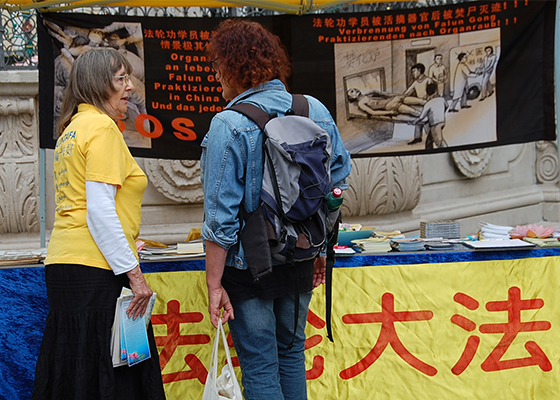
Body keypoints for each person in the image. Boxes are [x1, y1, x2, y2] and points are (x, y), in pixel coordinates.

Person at [201, 19, 352, 400]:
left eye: (218, 66)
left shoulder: (229, 125)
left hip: (246, 265)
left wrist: (214, 284)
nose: (216, 76)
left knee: (260, 364)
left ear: (233, 67)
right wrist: (318, 248)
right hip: (301, 255)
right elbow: (338, 183)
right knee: (290, 354)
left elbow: (220, 219)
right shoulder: (312, 109)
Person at [32, 48, 166, 400]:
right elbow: (99, 212)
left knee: (78, 375)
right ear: (97, 84)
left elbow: (81, 205)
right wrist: (134, 276)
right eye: (121, 79)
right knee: (114, 378)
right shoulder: (102, 127)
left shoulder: (71, 130)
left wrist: (124, 243)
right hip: (97, 269)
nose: (130, 89)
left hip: (65, 262)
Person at [409, 82, 449, 149]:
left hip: (435, 124)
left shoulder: (428, 104)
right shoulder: (442, 99)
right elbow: (446, 106)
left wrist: (415, 122)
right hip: (442, 121)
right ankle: (429, 151)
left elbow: (421, 117)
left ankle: (447, 150)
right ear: (436, 91)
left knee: (439, 142)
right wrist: (440, 113)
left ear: (427, 93)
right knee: (429, 141)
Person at [403, 63, 433, 145]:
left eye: (414, 71)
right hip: (420, 104)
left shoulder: (428, 80)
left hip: (428, 104)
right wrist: (400, 98)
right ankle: (418, 137)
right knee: (419, 119)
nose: (412, 74)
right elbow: (407, 92)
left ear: (419, 70)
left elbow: (433, 92)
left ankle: (431, 137)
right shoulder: (415, 82)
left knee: (426, 121)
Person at [346, 88, 425, 118]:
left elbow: (386, 94)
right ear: (352, 97)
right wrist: (390, 112)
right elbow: (373, 112)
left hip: (393, 99)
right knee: (414, 111)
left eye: (354, 89)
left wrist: (399, 95)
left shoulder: (369, 93)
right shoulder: (361, 104)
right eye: (352, 91)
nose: (355, 90)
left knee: (421, 101)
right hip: (389, 105)